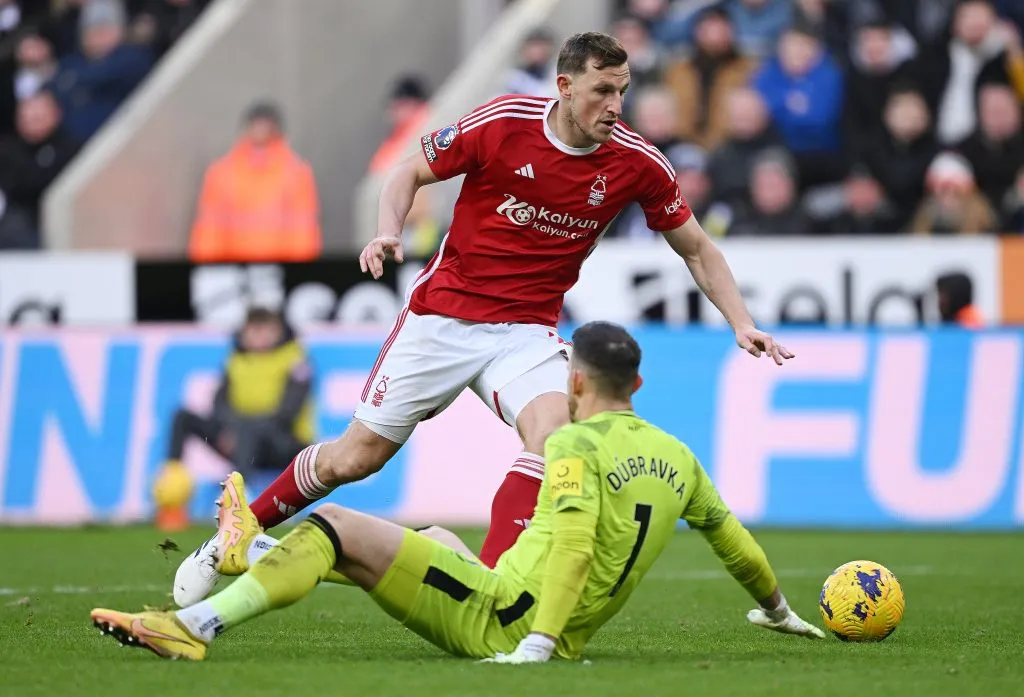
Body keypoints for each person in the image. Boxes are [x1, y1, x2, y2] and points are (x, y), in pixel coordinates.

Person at [172, 31, 794, 607]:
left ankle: (496, 591)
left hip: (525, 332)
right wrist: (388, 230)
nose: (616, 104)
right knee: (353, 460)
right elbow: (409, 170)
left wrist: (740, 322)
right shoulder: (504, 122)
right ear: (565, 86)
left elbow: (697, 248)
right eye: (603, 89)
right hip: (442, 316)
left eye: (624, 90)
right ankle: (236, 529)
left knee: (555, 439)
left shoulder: (637, 162)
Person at [91, 321, 823, 662]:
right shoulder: (679, 456)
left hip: (504, 619)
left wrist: (536, 645)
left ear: (573, 381)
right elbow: (735, 544)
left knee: (339, 523)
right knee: (433, 540)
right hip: (508, 595)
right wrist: (779, 610)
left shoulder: (570, 443)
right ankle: (256, 551)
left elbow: (570, 546)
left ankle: (196, 626)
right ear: (637, 384)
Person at [153, 307, 315, 522]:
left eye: (265, 330)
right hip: (238, 441)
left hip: (287, 446)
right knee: (183, 417)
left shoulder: (296, 362)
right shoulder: (235, 360)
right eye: (253, 330)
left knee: (250, 429)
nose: (259, 337)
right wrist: (230, 431)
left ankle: (240, 503)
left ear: (278, 331)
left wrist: (238, 430)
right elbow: (219, 404)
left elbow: (286, 414)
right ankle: (171, 497)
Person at [188, 101, 322, 262]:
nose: (261, 131)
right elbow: (209, 230)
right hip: (233, 270)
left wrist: (298, 271)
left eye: (266, 126)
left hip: (278, 270)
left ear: (277, 129)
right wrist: (207, 267)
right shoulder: (221, 173)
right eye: (256, 125)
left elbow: (303, 231)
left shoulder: (296, 173)